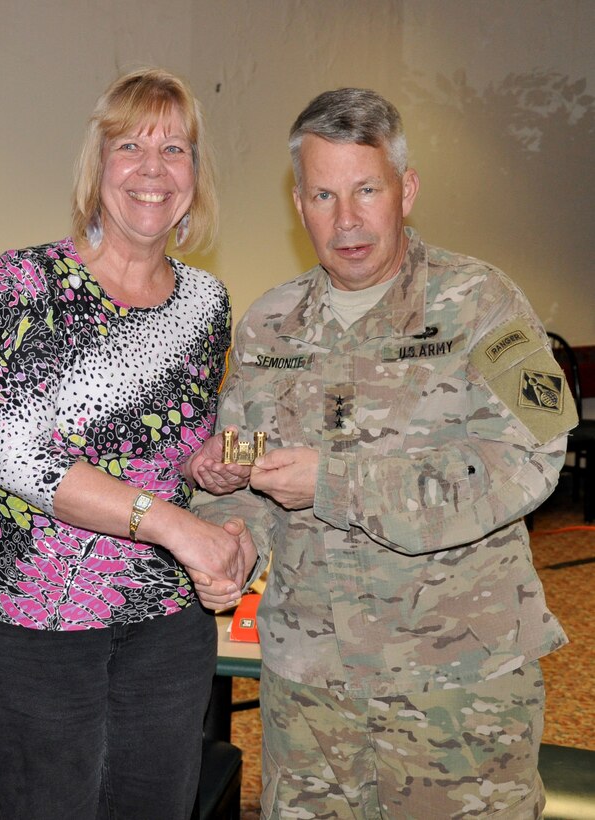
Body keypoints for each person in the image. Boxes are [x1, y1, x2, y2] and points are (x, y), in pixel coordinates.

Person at [192, 88, 577, 819]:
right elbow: (240, 470)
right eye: (322, 195)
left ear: (405, 190)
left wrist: (337, 482)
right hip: (310, 695)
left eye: (366, 190)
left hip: (457, 693)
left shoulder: (483, 302)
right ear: (297, 202)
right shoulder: (268, 325)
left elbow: (533, 455)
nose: (346, 221)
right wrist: (228, 532)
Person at [0, 67, 252, 819]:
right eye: (131, 146)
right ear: (98, 168)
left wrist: (208, 473)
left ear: (195, 175)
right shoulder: (30, 281)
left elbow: (177, 447)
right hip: (37, 621)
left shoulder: (205, 301)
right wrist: (176, 526)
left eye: (175, 149)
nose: (153, 170)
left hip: (164, 624)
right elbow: (20, 457)